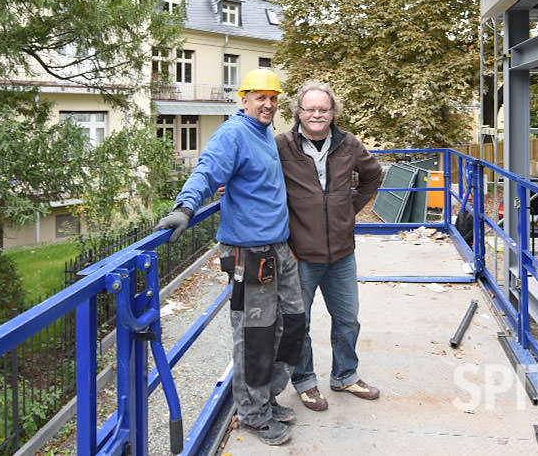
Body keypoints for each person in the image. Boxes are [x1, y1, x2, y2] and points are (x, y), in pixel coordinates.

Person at [156, 69, 305, 446]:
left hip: (278, 248)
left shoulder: (264, 134)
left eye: (272, 98)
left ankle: (266, 398)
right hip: (248, 253)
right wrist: (185, 208)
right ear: (244, 99)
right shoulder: (234, 133)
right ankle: (253, 415)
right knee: (255, 336)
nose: (268, 104)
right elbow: (207, 170)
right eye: (260, 97)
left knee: (292, 323)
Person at [274, 81, 384, 412]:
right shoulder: (281, 145)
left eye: (323, 109)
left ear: (333, 112)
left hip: (341, 254)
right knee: (299, 323)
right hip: (301, 254)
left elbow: (373, 176)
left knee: (348, 319)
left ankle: (345, 375)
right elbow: (257, 175)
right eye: (310, 109)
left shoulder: (348, 144)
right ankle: (305, 382)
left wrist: (348, 210)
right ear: (299, 112)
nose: (317, 115)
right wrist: (229, 185)